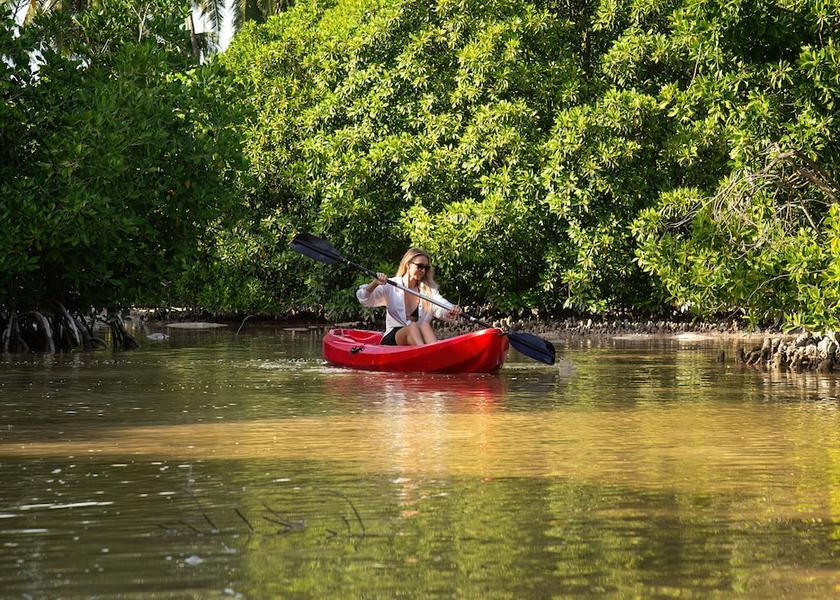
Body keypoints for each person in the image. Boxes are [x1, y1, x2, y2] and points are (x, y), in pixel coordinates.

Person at [356, 248, 462, 346]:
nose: (423, 271)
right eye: (420, 266)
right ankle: (426, 356)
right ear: (408, 265)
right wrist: (375, 283)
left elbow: (440, 304)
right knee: (413, 326)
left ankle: (433, 355)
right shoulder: (391, 285)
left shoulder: (428, 290)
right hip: (393, 337)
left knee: (424, 325)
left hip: (417, 337)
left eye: (426, 268)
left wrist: (450, 309)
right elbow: (364, 299)